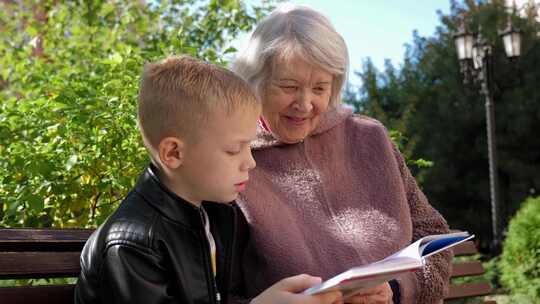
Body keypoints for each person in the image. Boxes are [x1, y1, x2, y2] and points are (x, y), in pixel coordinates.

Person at [74, 55, 343, 304]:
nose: (250, 161)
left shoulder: (213, 215)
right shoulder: (132, 246)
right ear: (174, 152)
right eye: (233, 149)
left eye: (249, 146)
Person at [230, 4, 452, 304]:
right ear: (254, 83)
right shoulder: (232, 158)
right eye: (289, 86)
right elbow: (210, 288)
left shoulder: (370, 138)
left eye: (319, 88)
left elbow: (433, 235)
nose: (305, 104)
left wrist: (397, 289)